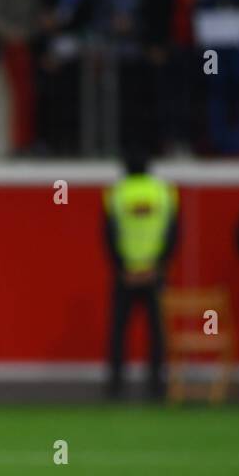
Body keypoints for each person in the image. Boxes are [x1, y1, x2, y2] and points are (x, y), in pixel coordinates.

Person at [105, 152, 178, 399]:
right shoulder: (164, 192)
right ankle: (157, 383)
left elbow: (109, 234)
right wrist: (158, 266)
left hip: (126, 273)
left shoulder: (116, 193)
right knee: (156, 329)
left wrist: (122, 267)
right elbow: (173, 232)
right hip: (154, 273)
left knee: (119, 329)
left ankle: (115, 383)